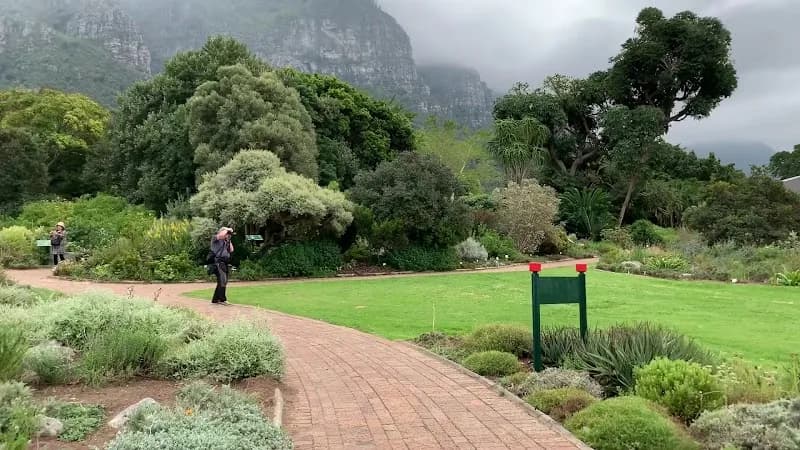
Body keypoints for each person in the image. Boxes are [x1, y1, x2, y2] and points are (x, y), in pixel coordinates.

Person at [210, 227, 234, 305]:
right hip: (218, 262)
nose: (227, 234)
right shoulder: (215, 238)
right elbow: (221, 235)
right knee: (222, 280)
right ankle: (222, 299)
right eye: (226, 233)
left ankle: (215, 299)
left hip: (225, 262)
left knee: (223, 281)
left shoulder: (225, 241)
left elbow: (231, 250)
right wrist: (228, 229)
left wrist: (229, 240)